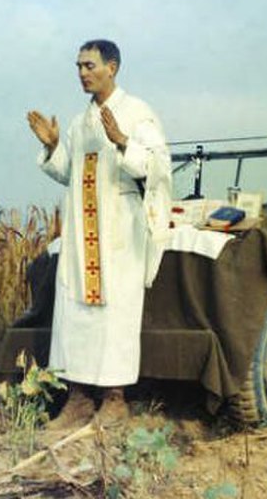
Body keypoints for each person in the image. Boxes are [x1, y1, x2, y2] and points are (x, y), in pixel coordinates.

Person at [27, 39, 171, 427]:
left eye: (90, 65)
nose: (82, 73)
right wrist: (54, 144)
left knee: (114, 315)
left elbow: (159, 166)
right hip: (81, 233)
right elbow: (66, 172)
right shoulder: (79, 122)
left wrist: (123, 142)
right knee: (75, 312)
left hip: (118, 233)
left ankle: (114, 400)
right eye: (78, 66)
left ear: (113, 67)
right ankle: (77, 400)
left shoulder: (138, 113)